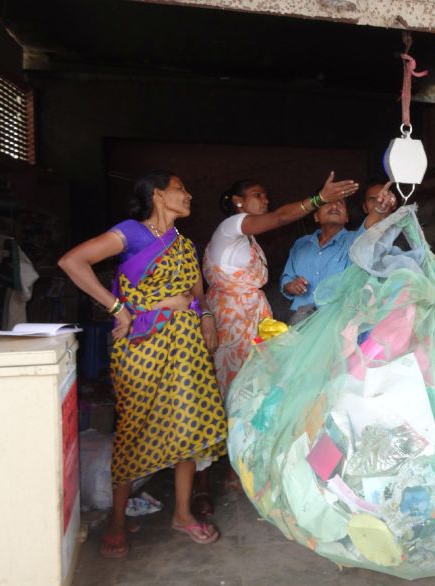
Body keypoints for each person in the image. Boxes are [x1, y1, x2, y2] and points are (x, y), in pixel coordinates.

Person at [58, 170, 226, 558]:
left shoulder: (184, 243)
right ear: (157, 195)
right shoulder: (131, 233)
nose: (188, 194)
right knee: (134, 426)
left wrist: (204, 316)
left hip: (185, 346)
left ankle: (182, 514)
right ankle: (117, 522)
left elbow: (197, 292)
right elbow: (72, 262)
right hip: (142, 345)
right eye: (180, 188)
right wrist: (117, 307)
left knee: (187, 424)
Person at [203, 171, 358, 394]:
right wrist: (318, 199)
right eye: (258, 195)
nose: (265, 200)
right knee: (234, 380)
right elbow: (279, 218)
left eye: (266, 195)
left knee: (258, 382)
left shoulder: (250, 240)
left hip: (255, 317)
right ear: (239, 202)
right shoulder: (229, 228)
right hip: (232, 319)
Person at [280, 180, 397, 324]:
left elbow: (370, 225)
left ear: (347, 217)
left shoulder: (356, 240)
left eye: (340, 203)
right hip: (299, 319)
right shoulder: (301, 244)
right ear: (316, 216)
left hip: (337, 322)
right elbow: (286, 278)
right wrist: (290, 286)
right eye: (327, 202)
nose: (334, 205)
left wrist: (379, 208)